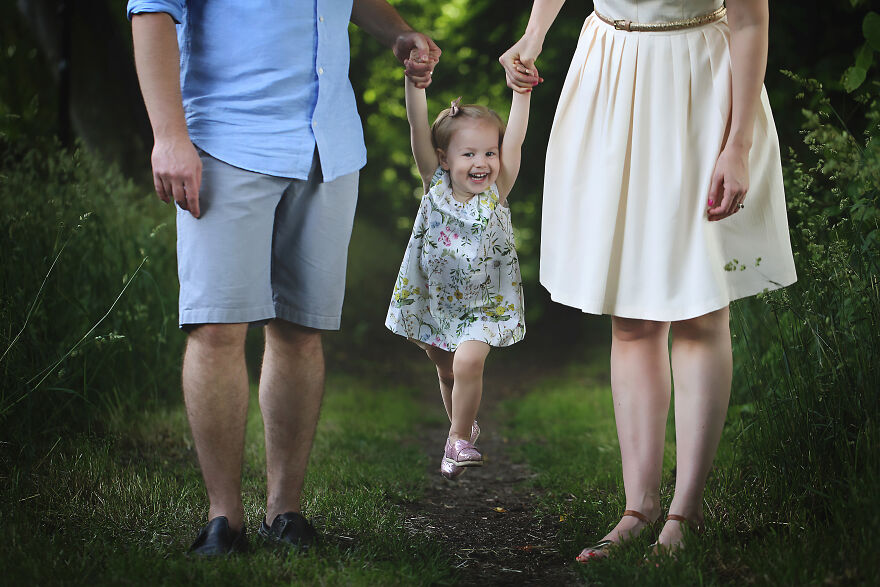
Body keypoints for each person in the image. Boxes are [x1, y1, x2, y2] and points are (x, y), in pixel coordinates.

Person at [126, 0, 440, 556]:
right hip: (226, 140)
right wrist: (169, 134)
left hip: (328, 145)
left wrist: (396, 32)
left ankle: (285, 512)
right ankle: (224, 521)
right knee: (218, 327)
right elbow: (151, 11)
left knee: (300, 328)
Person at [500, 0, 796, 560]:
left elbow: (752, 20)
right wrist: (533, 35)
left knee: (700, 311)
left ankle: (686, 514)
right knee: (632, 318)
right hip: (610, 77)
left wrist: (739, 143)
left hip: (700, 85)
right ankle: (638, 510)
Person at [385, 59, 531, 480]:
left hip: (484, 303)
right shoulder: (435, 185)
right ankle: (460, 427)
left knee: (467, 363)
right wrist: (416, 84)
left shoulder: (498, 192)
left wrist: (521, 94)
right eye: (469, 153)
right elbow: (417, 129)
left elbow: (516, 140)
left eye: (489, 152)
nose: (481, 161)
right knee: (445, 366)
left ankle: (459, 438)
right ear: (445, 159)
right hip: (435, 300)